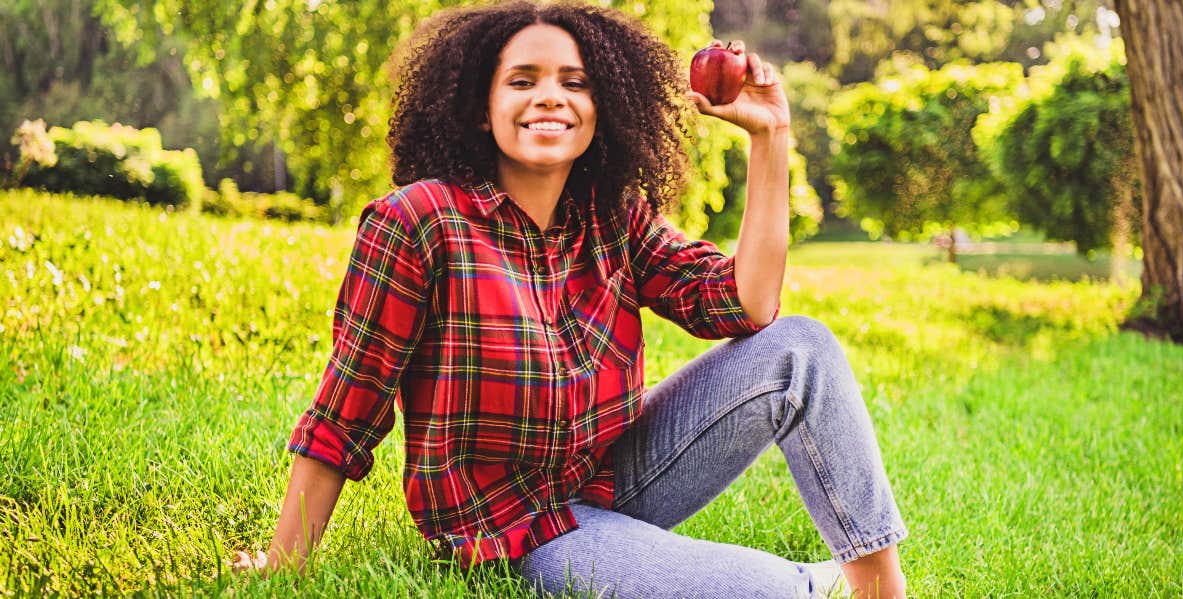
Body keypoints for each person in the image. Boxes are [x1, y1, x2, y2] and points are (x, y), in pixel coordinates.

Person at [234, 2, 908, 597]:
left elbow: (746, 304)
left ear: (600, 106)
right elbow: (345, 411)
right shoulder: (418, 223)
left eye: (574, 82)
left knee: (802, 348)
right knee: (762, 591)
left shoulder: (611, 216)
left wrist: (771, 137)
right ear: (480, 106)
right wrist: (284, 565)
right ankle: (801, 584)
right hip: (513, 533)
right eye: (522, 81)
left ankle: (879, 590)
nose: (550, 97)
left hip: (614, 480)